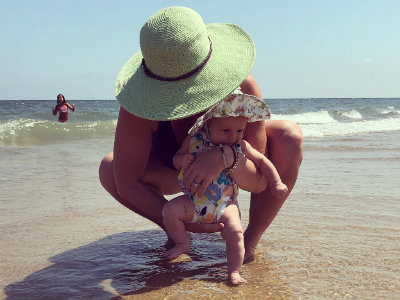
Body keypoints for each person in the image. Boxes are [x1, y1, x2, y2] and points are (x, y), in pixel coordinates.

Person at [99, 6, 302, 266]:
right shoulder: (140, 106)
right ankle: (176, 233)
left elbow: (259, 183)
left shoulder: (241, 91)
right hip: (178, 173)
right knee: (110, 168)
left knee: (289, 135)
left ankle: (248, 242)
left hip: (233, 172)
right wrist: (181, 222)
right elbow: (127, 182)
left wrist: (226, 156)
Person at [162, 90, 288, 284]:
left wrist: (276, 182)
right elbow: (176, 158)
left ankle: (234, 271)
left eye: (239, 131)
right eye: (226, 131)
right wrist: (182, 160)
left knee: (236, 232)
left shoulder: (241, 146)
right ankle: (182, 242)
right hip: (193, 200)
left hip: (225, 203)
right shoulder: (194, 139)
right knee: (170, 210)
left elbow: (262, 162)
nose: (233, 137)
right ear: (208, 124)